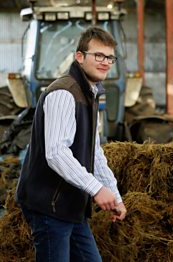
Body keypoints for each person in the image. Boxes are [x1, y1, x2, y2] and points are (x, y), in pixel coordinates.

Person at [15, 26, 127, 262]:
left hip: (71, 204)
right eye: (98, 55)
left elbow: (94, 152)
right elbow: (56, 153)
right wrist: (96, 189)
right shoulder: (64, 93)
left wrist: (114, 194)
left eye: (109, 57)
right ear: (80, 57)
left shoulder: (91, 93)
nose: (105, 62)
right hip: (49, 204)